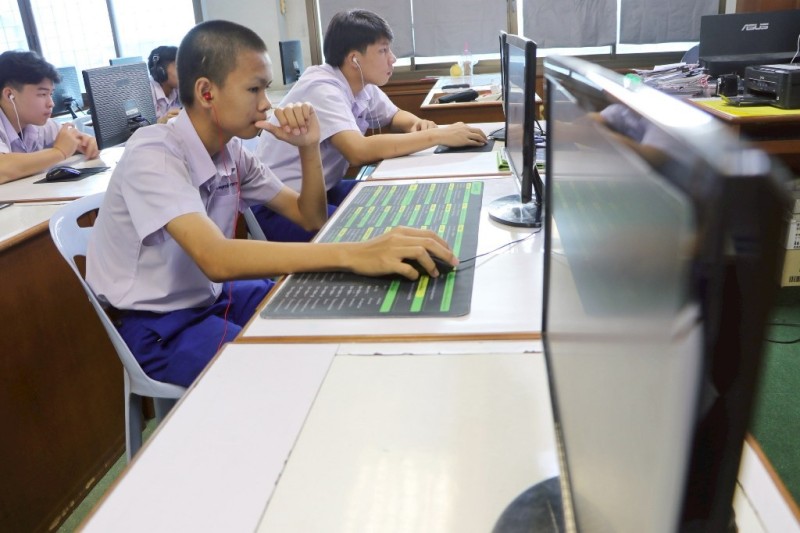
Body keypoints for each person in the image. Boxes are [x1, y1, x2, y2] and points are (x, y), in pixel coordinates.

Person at [86, 19, 457, 388]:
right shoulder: (154, 153)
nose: (266, 103)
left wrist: (308, 146)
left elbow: (310, 217)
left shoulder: (232, 152)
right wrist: (354, 254)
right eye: (254, 89)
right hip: (159, 323)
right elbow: (215, 258)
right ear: (206, 92)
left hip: (214, 295)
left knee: (329, 306)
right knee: (287, 373)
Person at [253, 9, 488, 242]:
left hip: (323, 190)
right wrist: (439, 135)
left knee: (396, 199)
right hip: (279, 206)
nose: (392, 58)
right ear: (354, 59)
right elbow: (358, 151)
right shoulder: (322, 88)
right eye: (383, 50)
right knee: (369, 235)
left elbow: (395, 116)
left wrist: (419, 124)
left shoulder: (362, 85)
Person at [0, 50, 99, 184]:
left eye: (51, 94)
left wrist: (86, 143)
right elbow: (2, 168)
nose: (51, 103)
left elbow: (74, 141)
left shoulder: (40, 124)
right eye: (42, 94)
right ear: (9, 95)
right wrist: (59, 152)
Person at [148, 45, 181, 124]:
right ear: (161, 72)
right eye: (178, 67)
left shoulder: (178, 88)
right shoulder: (147, 92)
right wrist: (161, 122)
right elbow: (140, 127)